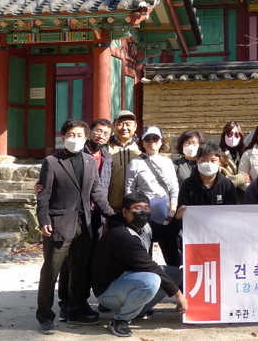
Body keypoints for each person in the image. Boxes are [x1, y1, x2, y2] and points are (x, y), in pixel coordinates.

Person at [35, 119, 115, 334]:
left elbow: (97, 192)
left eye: (80, 135)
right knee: (51, 271)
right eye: (71, 135)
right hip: (59, 223)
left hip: (85, 224)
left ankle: (76, 309)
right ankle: (45, 315)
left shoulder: (90, 161)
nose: (75, 139)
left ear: (86, 138)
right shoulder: (52, 162)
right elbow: (44, 196)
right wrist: (43, 220)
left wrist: (112, 216)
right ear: (63, 137)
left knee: (79, 271)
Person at [91, 192, 188, 337]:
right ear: (125, 212)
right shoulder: (121, 234)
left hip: (129, 279)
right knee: (151, 280)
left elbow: (166, 233)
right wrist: (178, 294)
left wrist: (177, 218)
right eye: (137, 208)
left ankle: (138, 309)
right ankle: (120, 320)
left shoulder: (145, 226)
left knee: (175, 273)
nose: (143, 212)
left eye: (146, 208)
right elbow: (150, 266)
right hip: (108, 291)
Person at [57, 118, 114, 322]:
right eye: (98, 131)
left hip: (96, 212)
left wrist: (109, 214)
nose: (101, 135)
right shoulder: (78, 154)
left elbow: (101, 188)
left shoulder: (107, 156)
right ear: (90, 133)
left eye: (106, 133)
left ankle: (80, 301)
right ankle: (66, 302)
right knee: (68, 261)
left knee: (87, 260)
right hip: (74, 212)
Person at [125, 126, 179, 224]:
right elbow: (129, 190)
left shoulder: (168, 162)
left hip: (165, 213)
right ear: (142, 142)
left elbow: (174, 188)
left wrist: (172, 210)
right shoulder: (135, 163)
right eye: (148, 138)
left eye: (155, 138)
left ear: (161, 141)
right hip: (142, 212)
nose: (152, 141)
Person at [176, 142, 238, 207]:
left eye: (213, 160)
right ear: (197, 161)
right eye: (204, 160)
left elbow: (231, 212)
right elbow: (182, 212)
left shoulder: (227, 185)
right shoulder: (187, 185)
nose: (209, 163)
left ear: (219, 161)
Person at [108, 110, 141, 213]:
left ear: (135, 126)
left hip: (136, 208)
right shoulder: (105, 147)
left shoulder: (142, 147)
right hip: (110, 207)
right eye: (120, 124)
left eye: (128, 124)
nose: (124, 128)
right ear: (113, 126)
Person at [218, 121, 250, 196]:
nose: (233, 137)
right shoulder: (217, 154)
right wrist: (240, 179)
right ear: (224, 135)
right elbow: (217, 181)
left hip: (244, 197)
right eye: (229, 134)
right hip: (225, 197)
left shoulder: (246, 154)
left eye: (236, 134)